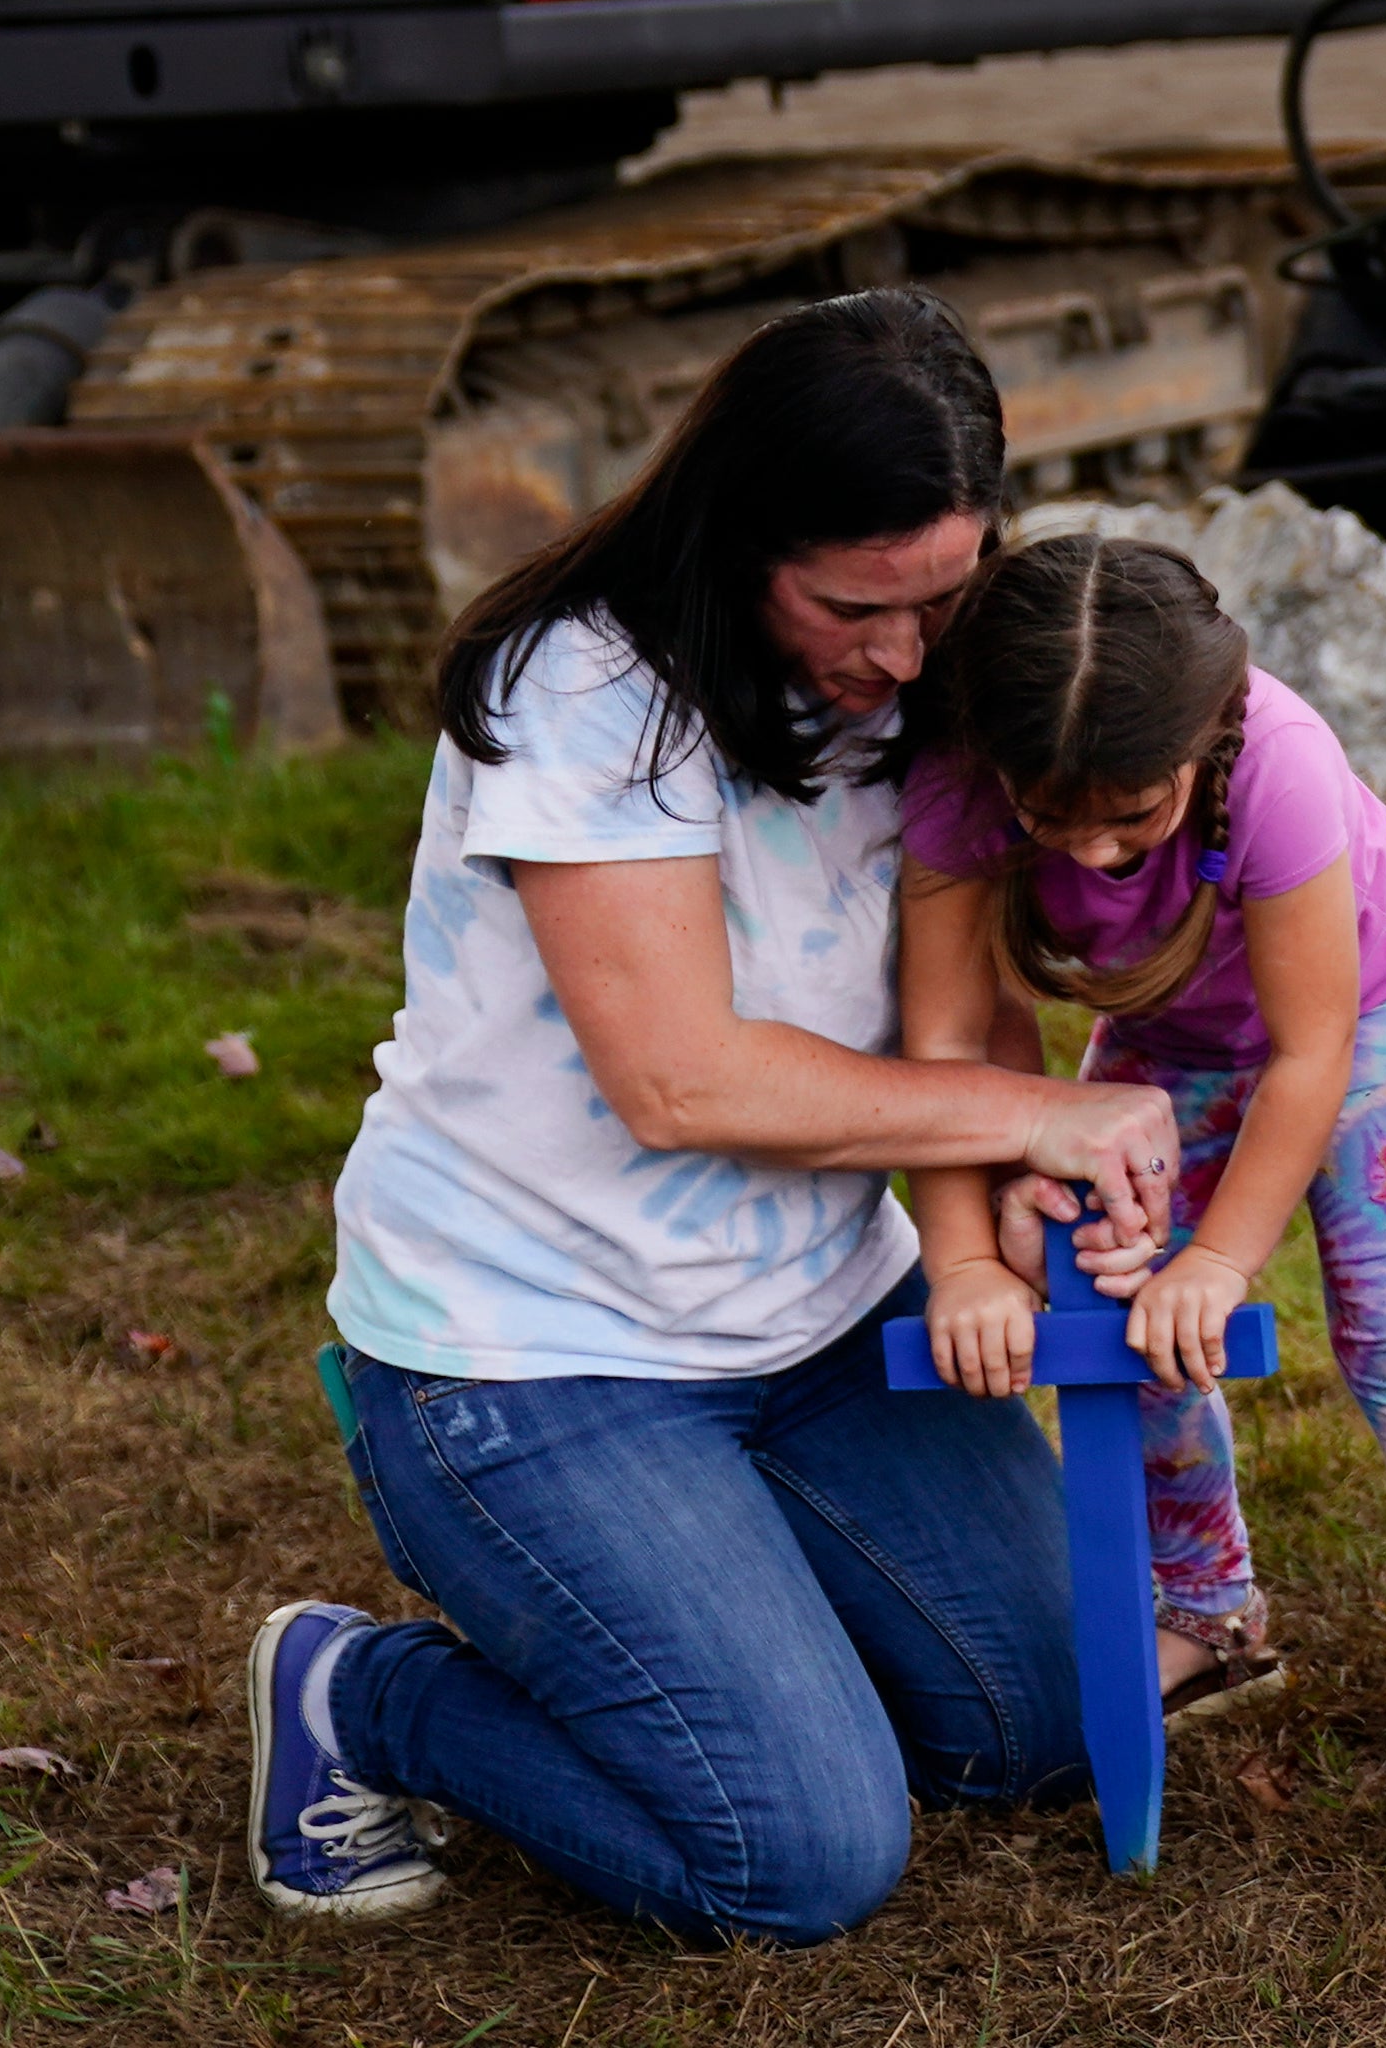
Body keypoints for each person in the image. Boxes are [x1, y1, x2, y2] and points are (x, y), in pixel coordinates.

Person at [256, 289, 1180, 1942]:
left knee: (1050, 1723)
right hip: (540, 1353)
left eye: (943, 595)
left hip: (821, 1317)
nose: (906, 654)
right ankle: (360, 1694)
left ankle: (748, 1631)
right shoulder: (580, 686)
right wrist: (1024, 1111)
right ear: (740, 535)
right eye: (853, 605)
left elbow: (960, 983)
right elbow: (679, 1079)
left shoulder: (932, 663)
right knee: (798, 1858)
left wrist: (1005, 1203)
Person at [894, 533, 1386, 1820]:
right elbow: (947, 1046)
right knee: (1112, 1301)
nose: (1098, 857)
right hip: (1164, 1040)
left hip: (1369, 1010)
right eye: (1050, 823)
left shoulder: (1279, 758)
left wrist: (1222, 1260)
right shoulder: (957, 780)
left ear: (1204, 735)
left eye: (1134, 818)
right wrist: (960, 1257)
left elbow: (1311, 1053)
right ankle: (1212, 1606)